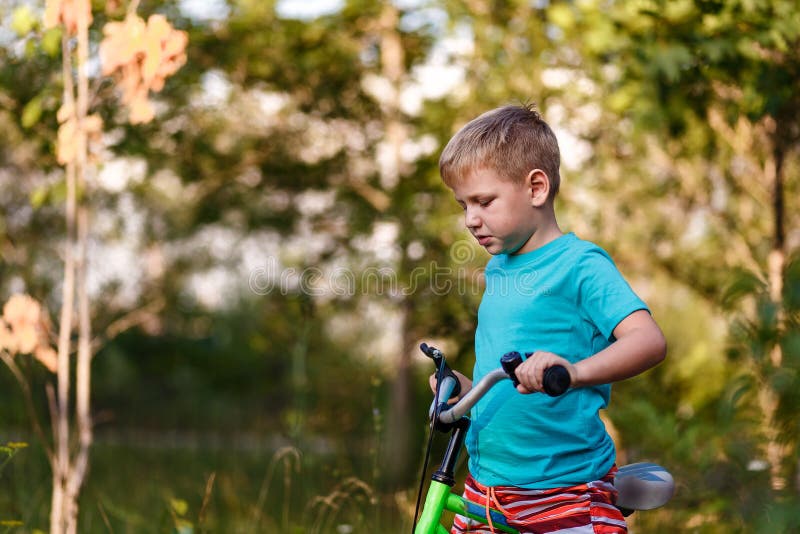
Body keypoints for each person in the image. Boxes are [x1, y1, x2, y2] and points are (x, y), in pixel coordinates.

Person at [431, 104, 667, 533]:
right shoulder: (498, 269)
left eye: (483, 201)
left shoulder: (580, 265)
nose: (470, 219)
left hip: (561, 493)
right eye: (463, 205)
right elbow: (503, 376)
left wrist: (573, 371)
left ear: (536, 188)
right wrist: (464, 390)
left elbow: (647, 340)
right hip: (486, 491)